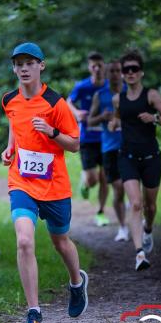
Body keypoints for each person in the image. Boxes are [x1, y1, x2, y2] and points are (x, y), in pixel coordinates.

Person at [1, 42, 88, 323]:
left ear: (41, 66)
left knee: (61, 241)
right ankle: (33, 312)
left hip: (54, 186)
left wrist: (51, 132)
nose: (23, 68)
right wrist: (10, 147)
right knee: (24, 241)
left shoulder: (56, 103)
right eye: (19, 63)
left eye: (29, 63)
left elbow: (75, 144)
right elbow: (14, 122)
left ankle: (77, 282)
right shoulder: (9, 99)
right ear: (14, 68)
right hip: (22, 182)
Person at [109, 50, 161, 271]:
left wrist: (154, 118)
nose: (130, 73)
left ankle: (148, 229)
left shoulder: (151, 95)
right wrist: (112, 123)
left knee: (150, 205)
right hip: (127, 157)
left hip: (151, 158)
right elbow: (118, 115)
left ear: (141, 72)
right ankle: (139, 253)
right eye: (126, 70)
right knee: (136, 204)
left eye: (134, 69)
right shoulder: (118, 98)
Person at [88, 59, 129, 242]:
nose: (114, 74)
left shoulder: (131, 92)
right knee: (118, 188)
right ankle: (122, 227)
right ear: (106, 73)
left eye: (117, 70)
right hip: (110, 147)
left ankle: (137, 216)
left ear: (122, 72)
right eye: (110, 71)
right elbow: (89, 121)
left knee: (134, 187)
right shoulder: (100, 95)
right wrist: (102, 117)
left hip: (131, 145)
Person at [67, 52, 109, 227]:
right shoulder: (82, 86)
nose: (97, 69)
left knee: (105, 176)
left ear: (104, 66)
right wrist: (77, 113)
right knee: (93, 179)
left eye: (100, 65)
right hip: (87, 138)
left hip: (108, 138)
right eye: (94, 66)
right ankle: (85, 183)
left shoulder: (110, 86)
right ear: (89, 67)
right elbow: (67, 102)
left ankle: (100, 212)